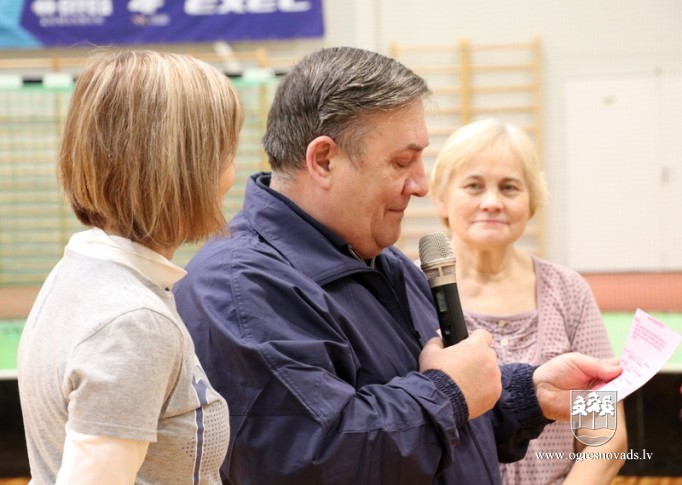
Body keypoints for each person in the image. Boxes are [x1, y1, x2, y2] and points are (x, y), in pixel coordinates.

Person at [173, 46, 622, 484]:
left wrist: (527, 395)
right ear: (325, 160)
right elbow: (316, 460)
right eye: (402, 161)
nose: (421, 184)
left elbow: (443, 425)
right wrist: (450, 391)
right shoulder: (239, 288)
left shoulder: (382, 260)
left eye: (509, 187)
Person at [17, 49, 243, 484]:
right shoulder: (133, 323)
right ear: (186, 170)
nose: (233, 170)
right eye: (225, 152)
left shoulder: (82, 269)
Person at [429, 118, 627, 484]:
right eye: (473, 186)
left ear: (532, 200)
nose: (492, 202)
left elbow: (605, 433)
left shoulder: (567, 289)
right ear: (441, 198)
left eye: (509, 187)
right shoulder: (412, 289)